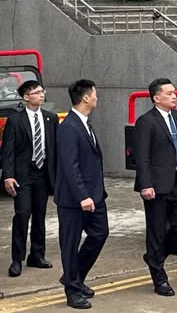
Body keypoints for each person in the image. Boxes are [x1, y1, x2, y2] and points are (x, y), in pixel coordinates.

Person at [133, 78, 177, 297]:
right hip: (156, 186)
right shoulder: (146, 121)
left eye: (174, 92)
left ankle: (154, 257)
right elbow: (142, 156)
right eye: (169, 93)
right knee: (157, 232)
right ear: (156, 98)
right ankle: (160, 279)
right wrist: (146, 184)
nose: (174, 96)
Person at [55, 79, 108, 310]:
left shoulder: (85, 123)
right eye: (94, 93)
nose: (97, 97)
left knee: (100, 234)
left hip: (95, 195)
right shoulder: (69, 127)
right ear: (86, 97)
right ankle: (72, 291)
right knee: (70, 244)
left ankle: (74, 276)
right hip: (74, 199)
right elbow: (70, 166)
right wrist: (82, 196)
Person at [2, 80, 56, 278]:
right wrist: (8, 175)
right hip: (23, 175)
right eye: (37, 92)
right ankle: (17, 259)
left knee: (40, 216)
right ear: (26, 97)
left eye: (42, 91)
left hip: (43, 173)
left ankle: (37, 255)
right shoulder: (15, 120)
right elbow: (8, 150)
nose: (41, 95)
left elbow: (55, 149)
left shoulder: (50, 118)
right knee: (22, 215)